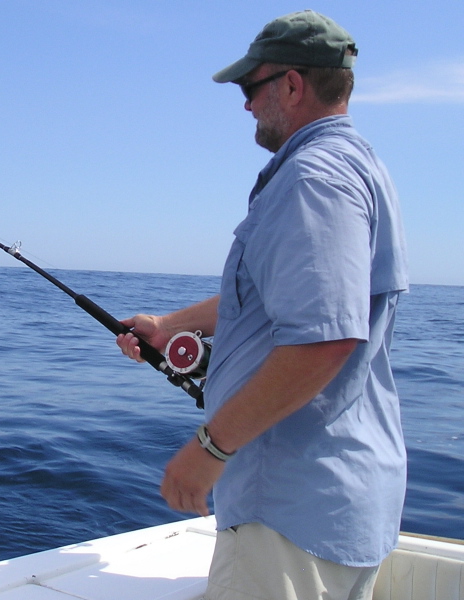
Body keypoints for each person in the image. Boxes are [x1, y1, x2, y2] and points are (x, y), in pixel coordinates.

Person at [116, 10, 408, 600]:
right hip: (340, 499)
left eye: (253, 86)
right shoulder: (359, 167)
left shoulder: (312, 179)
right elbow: (282, 300)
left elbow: (326, 339)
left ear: (294, 85)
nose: (246, 104)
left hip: (291, 508)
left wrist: (209, 448)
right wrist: (168, 325)